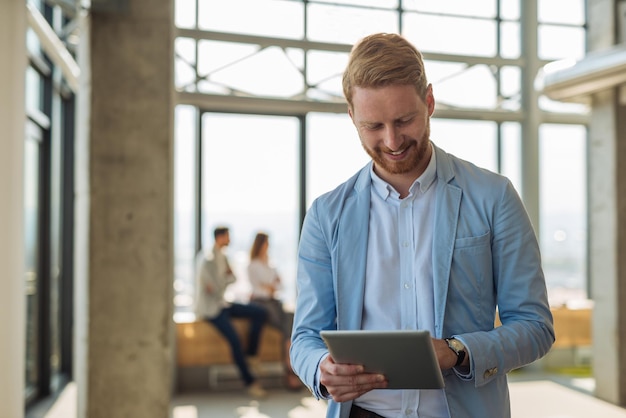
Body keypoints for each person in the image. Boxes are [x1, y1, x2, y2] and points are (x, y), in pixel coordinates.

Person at [289, 33, 555, 418]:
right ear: (352, 116)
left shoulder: (493, 196)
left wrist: (458, 351)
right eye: (373, 126)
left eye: (404, 120)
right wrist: (320, 367)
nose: (392, 140)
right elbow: (305, 337)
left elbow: (535, 326)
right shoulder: (326, 214)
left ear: (429, 102)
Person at [195, 226, 269, 399]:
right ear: (220, 237)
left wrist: (224, 279)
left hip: (223, 303)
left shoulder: (223, 256)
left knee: (260, 313)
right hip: (211, 309)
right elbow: (213, 288)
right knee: (235, 340)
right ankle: (250, 383)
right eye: (228, 236)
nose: (230, 240)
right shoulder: (207, 259)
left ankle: (252, 355)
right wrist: (225, 278)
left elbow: (232, 279)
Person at [247, 232, 302, 390]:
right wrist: (269, 287)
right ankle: (289, 366)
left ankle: (289, 364)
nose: (268, 246)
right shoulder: (253, 265)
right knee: (287, 327)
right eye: (266, 243)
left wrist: (269, 287)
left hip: (274, 302)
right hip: (262, 304)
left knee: (291, 318)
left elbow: (279, 286)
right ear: (260, 244)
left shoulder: (269, 265)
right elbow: (258, 290)